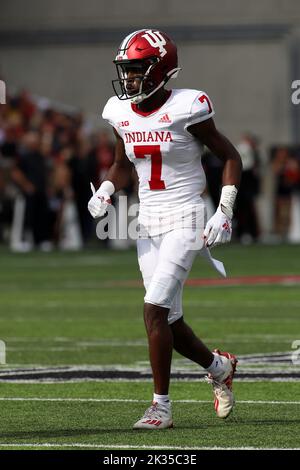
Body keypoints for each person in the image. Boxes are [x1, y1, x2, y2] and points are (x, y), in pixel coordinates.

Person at [88, 29, 242, 429]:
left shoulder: (189, 106)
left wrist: (224, 209)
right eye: (126, 71)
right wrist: (106, 189)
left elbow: (230, 156)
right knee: (169, 320)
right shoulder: (119, 112)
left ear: (161, 70)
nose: (129, 80)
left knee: (153, 309)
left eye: (137, 71)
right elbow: (123, 164)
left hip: (188, 215)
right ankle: (220, 367)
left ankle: (161, 407)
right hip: (148, 219)